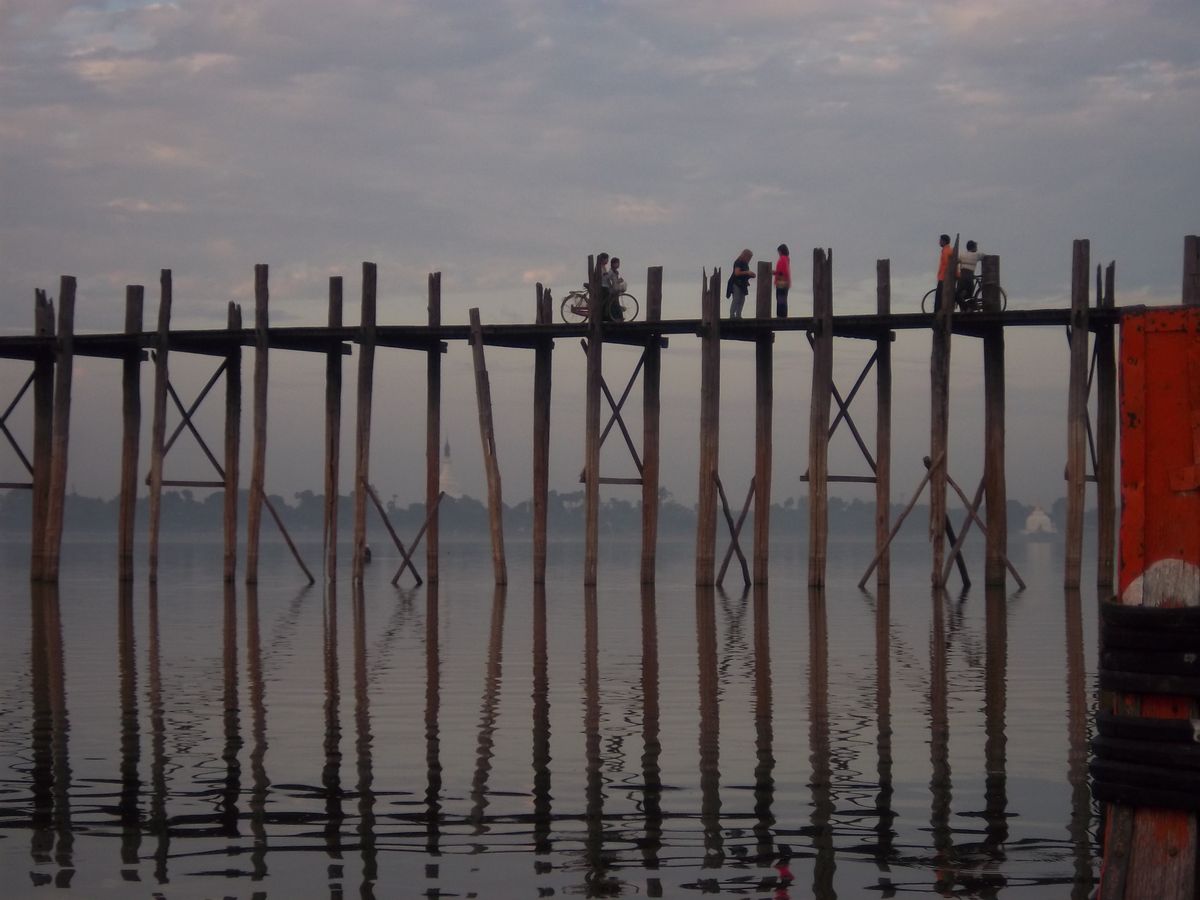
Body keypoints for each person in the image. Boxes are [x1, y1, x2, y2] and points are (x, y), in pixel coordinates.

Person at [726, 248, 755, 318]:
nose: (749, 259)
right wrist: (747, 272)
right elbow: (737, 273)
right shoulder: (738, 262)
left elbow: (744, 274)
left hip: (742, 284)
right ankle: (732, 315)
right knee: (736, 299)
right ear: (745, 256)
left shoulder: (745, 264)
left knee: (742, 300)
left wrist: (750, 276)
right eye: (749, 257)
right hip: (736, 283)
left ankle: (738, 315)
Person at [956, 240, 980, 308]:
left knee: (957, 295)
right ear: (973, 248)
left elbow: (955, 262)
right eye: (976, 247)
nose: (977, 248)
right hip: (970, 277)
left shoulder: (962, 255)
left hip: (962, 276)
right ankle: (969, 307)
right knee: (969, 295)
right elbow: (985, 256)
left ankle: (966, 307)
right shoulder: (977, 255)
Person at [604, 256, 627, 321]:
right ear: (613, 264)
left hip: (615, 289)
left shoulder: (615, 271)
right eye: (617, 263)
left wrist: (618, 281)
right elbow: (607, 279)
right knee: (615, 304)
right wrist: (610, 286)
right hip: (613, 290)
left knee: (615, 303)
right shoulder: (611, 271)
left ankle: (617, 317)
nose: (618, 264)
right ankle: (618, 318)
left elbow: (614, 281)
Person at [934, 234, 952, 312]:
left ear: (944, 241)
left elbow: (945, 263)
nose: (939, 242)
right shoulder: (949, 250)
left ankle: (937, 311)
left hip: (944, 276)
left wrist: (944, 275)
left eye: (940, 240)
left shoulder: (945, 251)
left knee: (939, 294)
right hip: (945, 276)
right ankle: (939, 310)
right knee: (942, 294)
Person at [772, 244, 791, 317]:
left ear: (781, 251)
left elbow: (782, 272)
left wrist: (775, 273)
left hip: (781, 282)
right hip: (785, 281)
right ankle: (783, 315)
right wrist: (776, 272)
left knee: (780, 299)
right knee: (783, 299)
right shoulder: (786, 259)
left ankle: (780, 315)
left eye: (778, 251)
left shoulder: (782, 259)